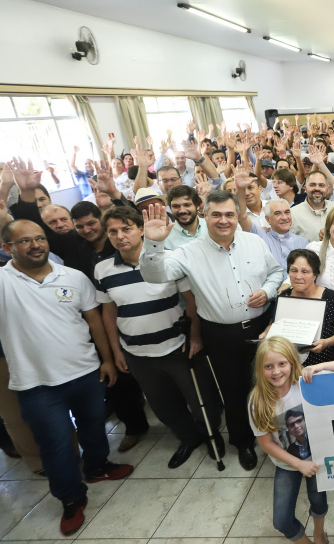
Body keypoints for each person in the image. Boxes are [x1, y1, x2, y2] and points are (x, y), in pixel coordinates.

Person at [0, 219, 133, 535]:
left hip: (86, 372)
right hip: (37, 384)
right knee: (56, 444)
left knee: (93, 426)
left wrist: (106, 361)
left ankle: (98, 466)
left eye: (40, 238)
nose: (36, 245)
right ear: (7, 248)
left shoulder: (73, 277)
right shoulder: (3, 282)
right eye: (25, 241)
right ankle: (71, 499)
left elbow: (95, 321)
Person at [140, 192, 285, 471]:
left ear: (237, 216)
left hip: (262, 327)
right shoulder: (189, 251)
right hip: (221, 334)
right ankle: (243, 442)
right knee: (234, 391)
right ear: (204, 216)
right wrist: (153, 244)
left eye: (229, 214)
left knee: (270, 385)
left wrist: (267, 292)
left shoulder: (254, 242)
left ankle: (277, 435)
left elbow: (276, 273)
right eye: (216, 214)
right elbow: (154, 276)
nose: (223, 220)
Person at [94, 206, 224, 469]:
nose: (120, 236)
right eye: (113, 231)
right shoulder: (103, 270)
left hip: (178, 346)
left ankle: (211, 435)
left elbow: (191, 300)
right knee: (163, 406)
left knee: (201, 400)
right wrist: (116, 351)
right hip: (138, 353)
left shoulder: (169, 259)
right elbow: (109, 313)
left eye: (126, 229)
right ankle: (188, 438)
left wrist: (195, 336)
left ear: (141, 230)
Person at [248, 336, 334, 544]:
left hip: (318, 457)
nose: (276, 372)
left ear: (292, 362)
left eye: (282, 364)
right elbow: (266, 444)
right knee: (282, 520)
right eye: (269, 366)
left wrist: (318, 366)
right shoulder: (257, 401)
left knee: (319, 501)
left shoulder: (305, 383)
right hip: (287, 464)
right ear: (260, 368)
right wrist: (298, 464)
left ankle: (319, 533)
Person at [263, 250, 334, 365]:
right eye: (294, 271)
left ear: (315, 275)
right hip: (286, 366)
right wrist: (266, 334)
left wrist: (327, 342)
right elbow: (273, 323)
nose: (298, 276)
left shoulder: (330, 298)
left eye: (305, 272)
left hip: (321, 366)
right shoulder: (283, 296)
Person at [290, 172, 334, 243]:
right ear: (305, 188)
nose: (317, 188)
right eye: (312, 185)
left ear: (328, 189)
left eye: (321, 185)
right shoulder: (293, 214)